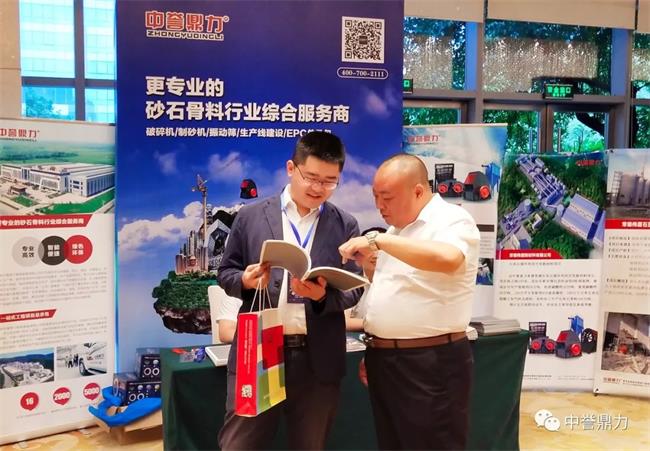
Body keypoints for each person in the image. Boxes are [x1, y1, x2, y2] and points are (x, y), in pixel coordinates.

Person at [217, 131, 362, 450]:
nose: (318, 188)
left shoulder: (345, 225)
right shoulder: (251, 217)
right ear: (291, 168)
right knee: (240, 443)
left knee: (310, 444)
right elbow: (225, 272)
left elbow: (353, 288)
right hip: (259, 348)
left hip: (317, 355)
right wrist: (246, 280)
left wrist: (321, 297)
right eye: (311, 177)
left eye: (330, 181)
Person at [338, 153, 480, 450]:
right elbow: (395, 293)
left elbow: (449, 259)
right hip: (386, 360)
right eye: (375, 197)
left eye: (387, 197)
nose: (380, 206)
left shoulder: (452, 219)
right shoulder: (397, 230)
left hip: (430, 361)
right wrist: (379, 344)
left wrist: (377, 240)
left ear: (417, 191)